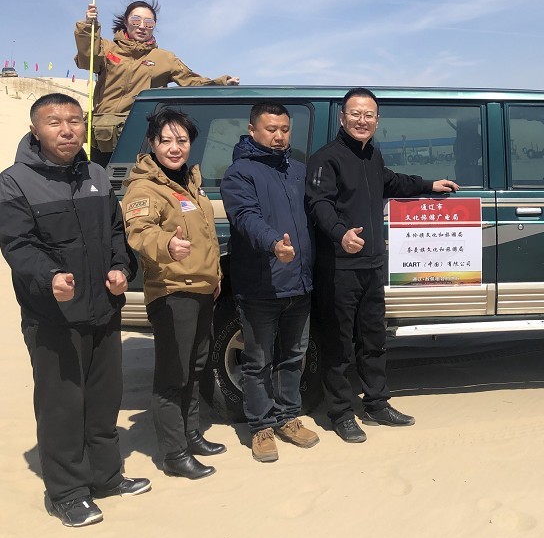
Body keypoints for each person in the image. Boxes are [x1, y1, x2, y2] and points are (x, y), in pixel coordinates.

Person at [0, 94, 149, 527]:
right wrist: (50, 277)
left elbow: (117, 233)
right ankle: (66, 492)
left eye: (74, 121)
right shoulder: (15, 182)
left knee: (104, 400)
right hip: (53, 316)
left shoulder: (97, 175)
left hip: (103, 310)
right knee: (62, 406)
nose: (66, 130)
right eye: (54, 122)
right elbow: (18, 244)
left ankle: (106, 476)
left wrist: (122, 268)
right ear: (35, 130)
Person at [306, 88, 459, 443]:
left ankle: (377, 404)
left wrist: (429, 184)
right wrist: (340, 233)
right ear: (342, 117)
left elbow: (391, 181)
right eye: (355, 114)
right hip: (340, 268)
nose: (362, 120)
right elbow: (319, 204)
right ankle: (341, 413)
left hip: (372, 266)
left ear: (377, 120)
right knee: (338, 345)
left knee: (374, 339)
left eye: (369, 115)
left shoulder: (372, 155)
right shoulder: (326, 158)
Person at [121, 109, 225, 480]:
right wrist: (166, 244)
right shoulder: (145, 187)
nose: (174, 147)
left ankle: (191, 433)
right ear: (152, 143)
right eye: (165, 140)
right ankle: (174, 453)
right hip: (171, 292)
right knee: (172, 375)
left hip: (200, 289)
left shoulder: (190, 182)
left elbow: (206, 238)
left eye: (182, 140)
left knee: (195, 369)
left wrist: (215, 276)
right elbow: (139, 232)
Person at [221, 102, 319, 462]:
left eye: (284, 129)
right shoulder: (239, 173)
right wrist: (273, 243)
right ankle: (260, 427)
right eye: (271, 129)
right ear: (252, 130)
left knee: (293, 356)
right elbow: (246, 217)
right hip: (261, 284)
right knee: (258, 360)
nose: (279, 136)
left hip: (300, 283)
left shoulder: (298, 170)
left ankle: (288, 417)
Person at [74, 0, 239, 166]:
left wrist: (222, 83)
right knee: (100, 179)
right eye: (136, 20)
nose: (142, 26)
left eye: (149, 23)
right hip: (102, 137)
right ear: (125, 21)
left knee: (139, 179)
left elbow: (191, 80)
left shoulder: (164, 58)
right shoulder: (106, 48)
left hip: (139, 136)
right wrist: (89, 26)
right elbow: (86, 60)